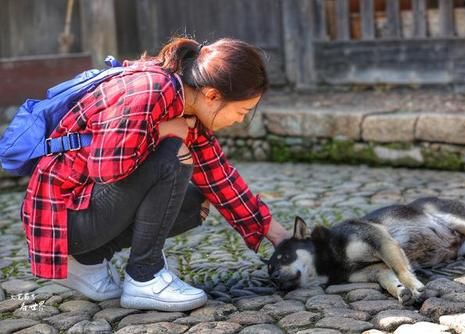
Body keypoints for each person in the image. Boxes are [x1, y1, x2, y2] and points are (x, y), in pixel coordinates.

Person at [21, 37, 291, 312]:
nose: (240, 120)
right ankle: (145, 277)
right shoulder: (150, 90)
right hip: (62, 218)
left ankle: (87, 260)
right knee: (174, 156)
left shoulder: (186, 103)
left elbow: (219, 177)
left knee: (195, 202)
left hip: (87, 211)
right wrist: (165, 134)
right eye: (242, 111)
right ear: (212, 95)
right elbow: (105, 170)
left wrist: (277, 235)